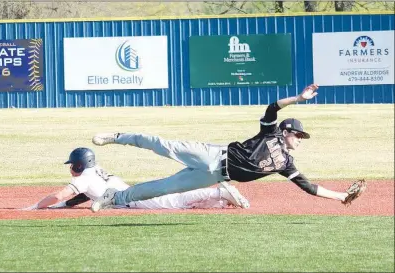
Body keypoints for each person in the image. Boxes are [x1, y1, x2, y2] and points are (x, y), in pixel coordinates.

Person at [90, 84, 366, 213]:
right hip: (212, 154)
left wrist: (342, 195)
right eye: (298, 135)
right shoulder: (270, 132)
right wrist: (298, 98)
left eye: (301, 137)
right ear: (286, 131)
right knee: (163, 146)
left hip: (214, 176)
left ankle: (114, 197)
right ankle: (118, 136)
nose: (299, 139)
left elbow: (310, 188)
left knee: (164, 188)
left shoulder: (285, 164)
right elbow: (272, 108)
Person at [21, 147, 250, 211]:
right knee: (175, 200)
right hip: (130, 194)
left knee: (174, 201)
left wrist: (36, 206)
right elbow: (80, 196)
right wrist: (63, 206)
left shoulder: (84, 177)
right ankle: (219, 200)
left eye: (72, 164)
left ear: (79, 165)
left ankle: (218, 192)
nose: (71, 168)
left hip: (132, 201)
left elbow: (65, 193)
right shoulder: (94, 172)